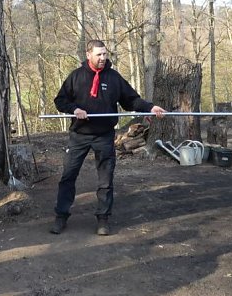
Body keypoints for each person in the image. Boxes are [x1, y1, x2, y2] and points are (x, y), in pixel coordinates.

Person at [50, 40, 165, 236]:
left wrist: (149, 107)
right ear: (89, 55)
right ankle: (61, 216)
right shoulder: (76, 77)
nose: (103, 58)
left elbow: (131, 100)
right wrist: (74, 109)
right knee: (68, 176)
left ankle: (103, 219)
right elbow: (60, 100)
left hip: (104, 136)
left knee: (105, 180)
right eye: (99, 55)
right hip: (79, 135)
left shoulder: (113, 78)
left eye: (105, 54)